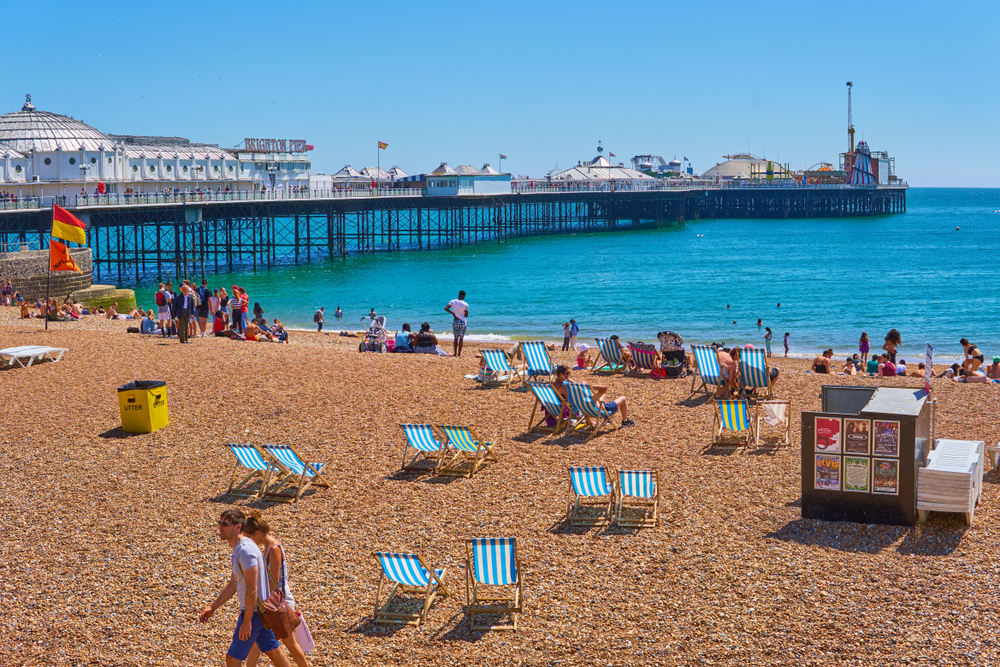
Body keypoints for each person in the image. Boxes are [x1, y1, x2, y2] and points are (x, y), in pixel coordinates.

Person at [198, 509, 292, 667]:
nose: (220, 527)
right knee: (275, 654)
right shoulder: (240, 548)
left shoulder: (245, 550)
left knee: (233, 659)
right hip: (262, 613)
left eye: (225, 524)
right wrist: (212, 607)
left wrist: (247, 622)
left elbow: (252, 589)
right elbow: (233, 585)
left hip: (254, 614)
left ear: (238, 527)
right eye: (219, 523)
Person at [241, 511, 310, 667]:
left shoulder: (273, 548)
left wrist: (264, 604)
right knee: (257, 642)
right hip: (273, 601)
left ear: (257, 533)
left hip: (277, 602)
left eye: (249, 538)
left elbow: (275, 579)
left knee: (289, 642)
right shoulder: (268, 547)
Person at [553, 365, 634, 427]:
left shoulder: (556, 384)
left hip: (584, 407)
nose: (569, 375)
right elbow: (604, 388)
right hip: (595, 409)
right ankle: (625, 421)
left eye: (569, 373)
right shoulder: (564, 387)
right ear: (561, 374)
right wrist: (587, 386)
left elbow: (574, 387)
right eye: (567, 373)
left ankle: (606, 419)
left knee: (602, 396)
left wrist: (575, 384)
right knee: (623, 398)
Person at [444, 290, 469, 357]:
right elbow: (466, 315)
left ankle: (455, 353)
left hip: (456, 320)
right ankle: (459, 354)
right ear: (464, 296)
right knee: (461, 338)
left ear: (458, 295)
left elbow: (446, 308)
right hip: (462, 321)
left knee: (455, 338)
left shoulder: (452, 301)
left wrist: (453, 313)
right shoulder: (465, 304)